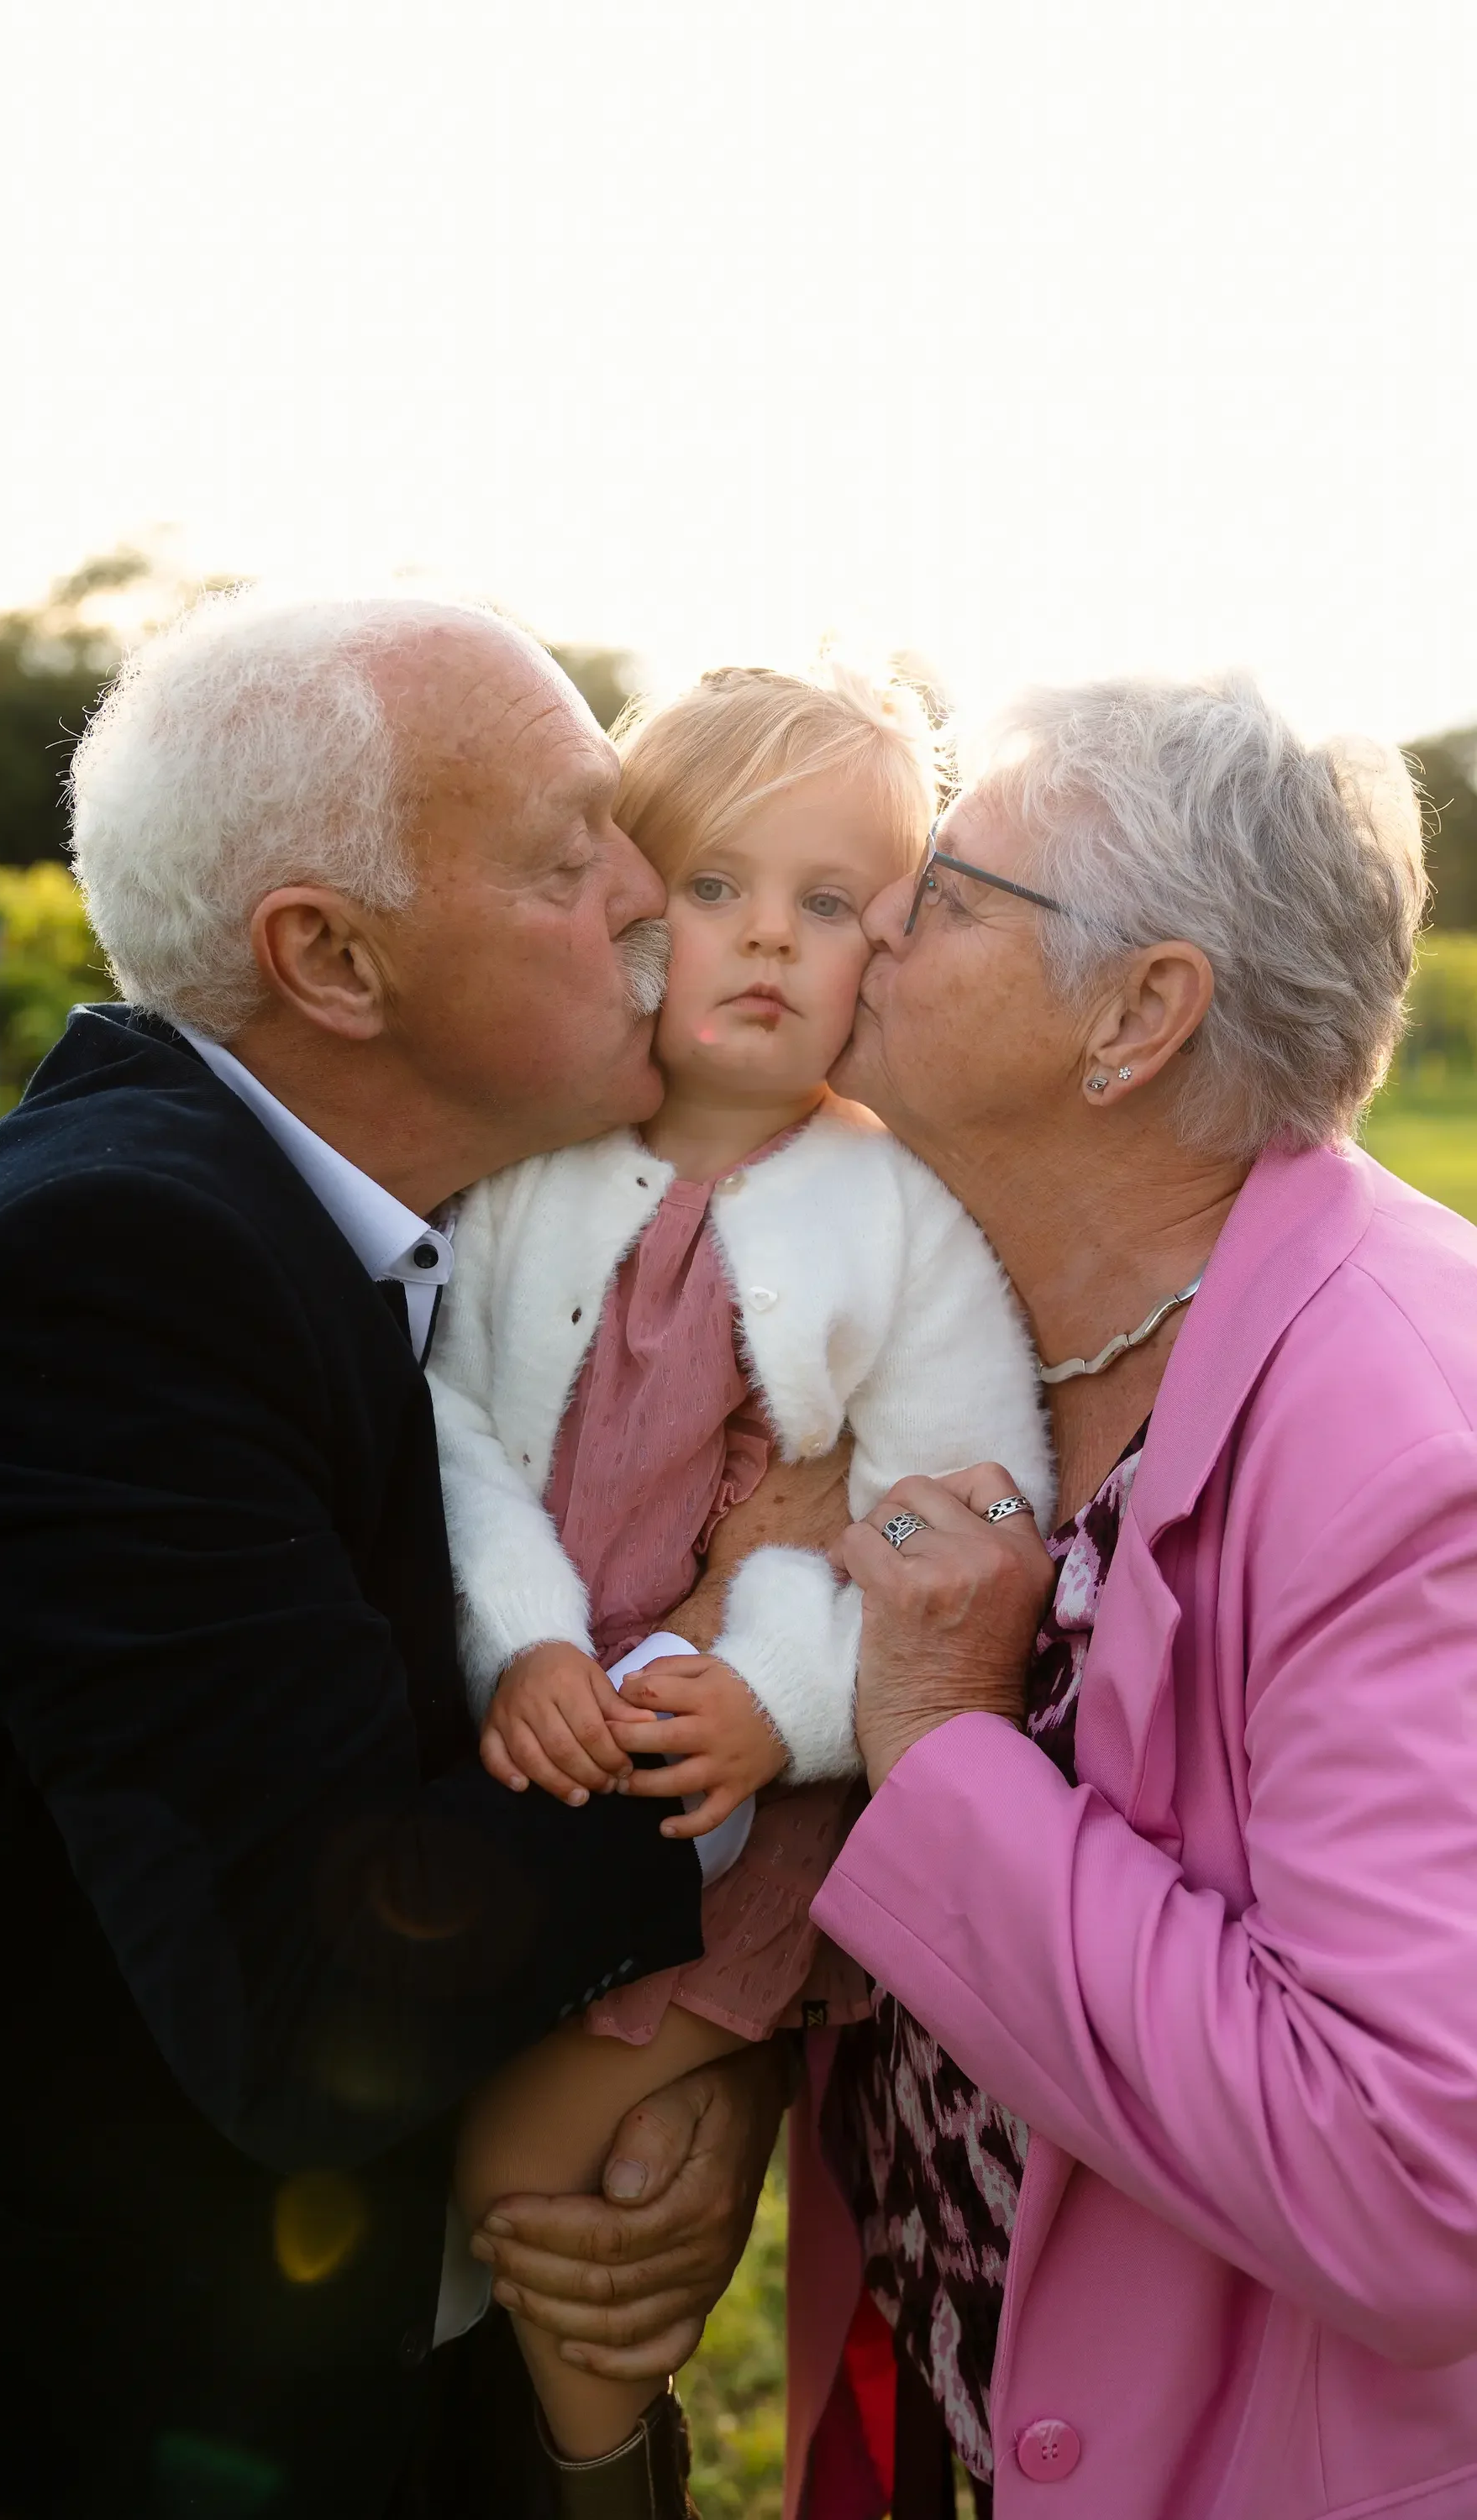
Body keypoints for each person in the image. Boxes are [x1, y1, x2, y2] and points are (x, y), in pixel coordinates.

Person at [0, 595, 800, 2520]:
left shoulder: (437, 1219)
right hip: (37, 2434)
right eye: (560, 851)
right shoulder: (106, 1277)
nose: (641, 887)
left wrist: (712, 2068)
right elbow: (315, 2002)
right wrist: (740, 1692)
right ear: (330, 959)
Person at [782, 675, 1477, 2518]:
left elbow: (1416, 2188)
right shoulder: (969, 1315)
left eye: (941, 888)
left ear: (1137, 1014)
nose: (873, 925)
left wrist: (940, 1747)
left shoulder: (1411, 1450)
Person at [431, 664, 1053, 2506]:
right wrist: (525, 1637)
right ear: (629, 912)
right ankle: (532, 2440)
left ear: (888, 947)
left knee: (522, 2168)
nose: (767, 937)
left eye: (832, 900)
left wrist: (776, 1699)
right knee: (485, 2150)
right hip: (518, 1738)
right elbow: (444, 1434)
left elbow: (957, 1508)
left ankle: (593, 2466)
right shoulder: (522, 1177)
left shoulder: (900, 1215)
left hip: (738, 1807)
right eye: (715, 887)